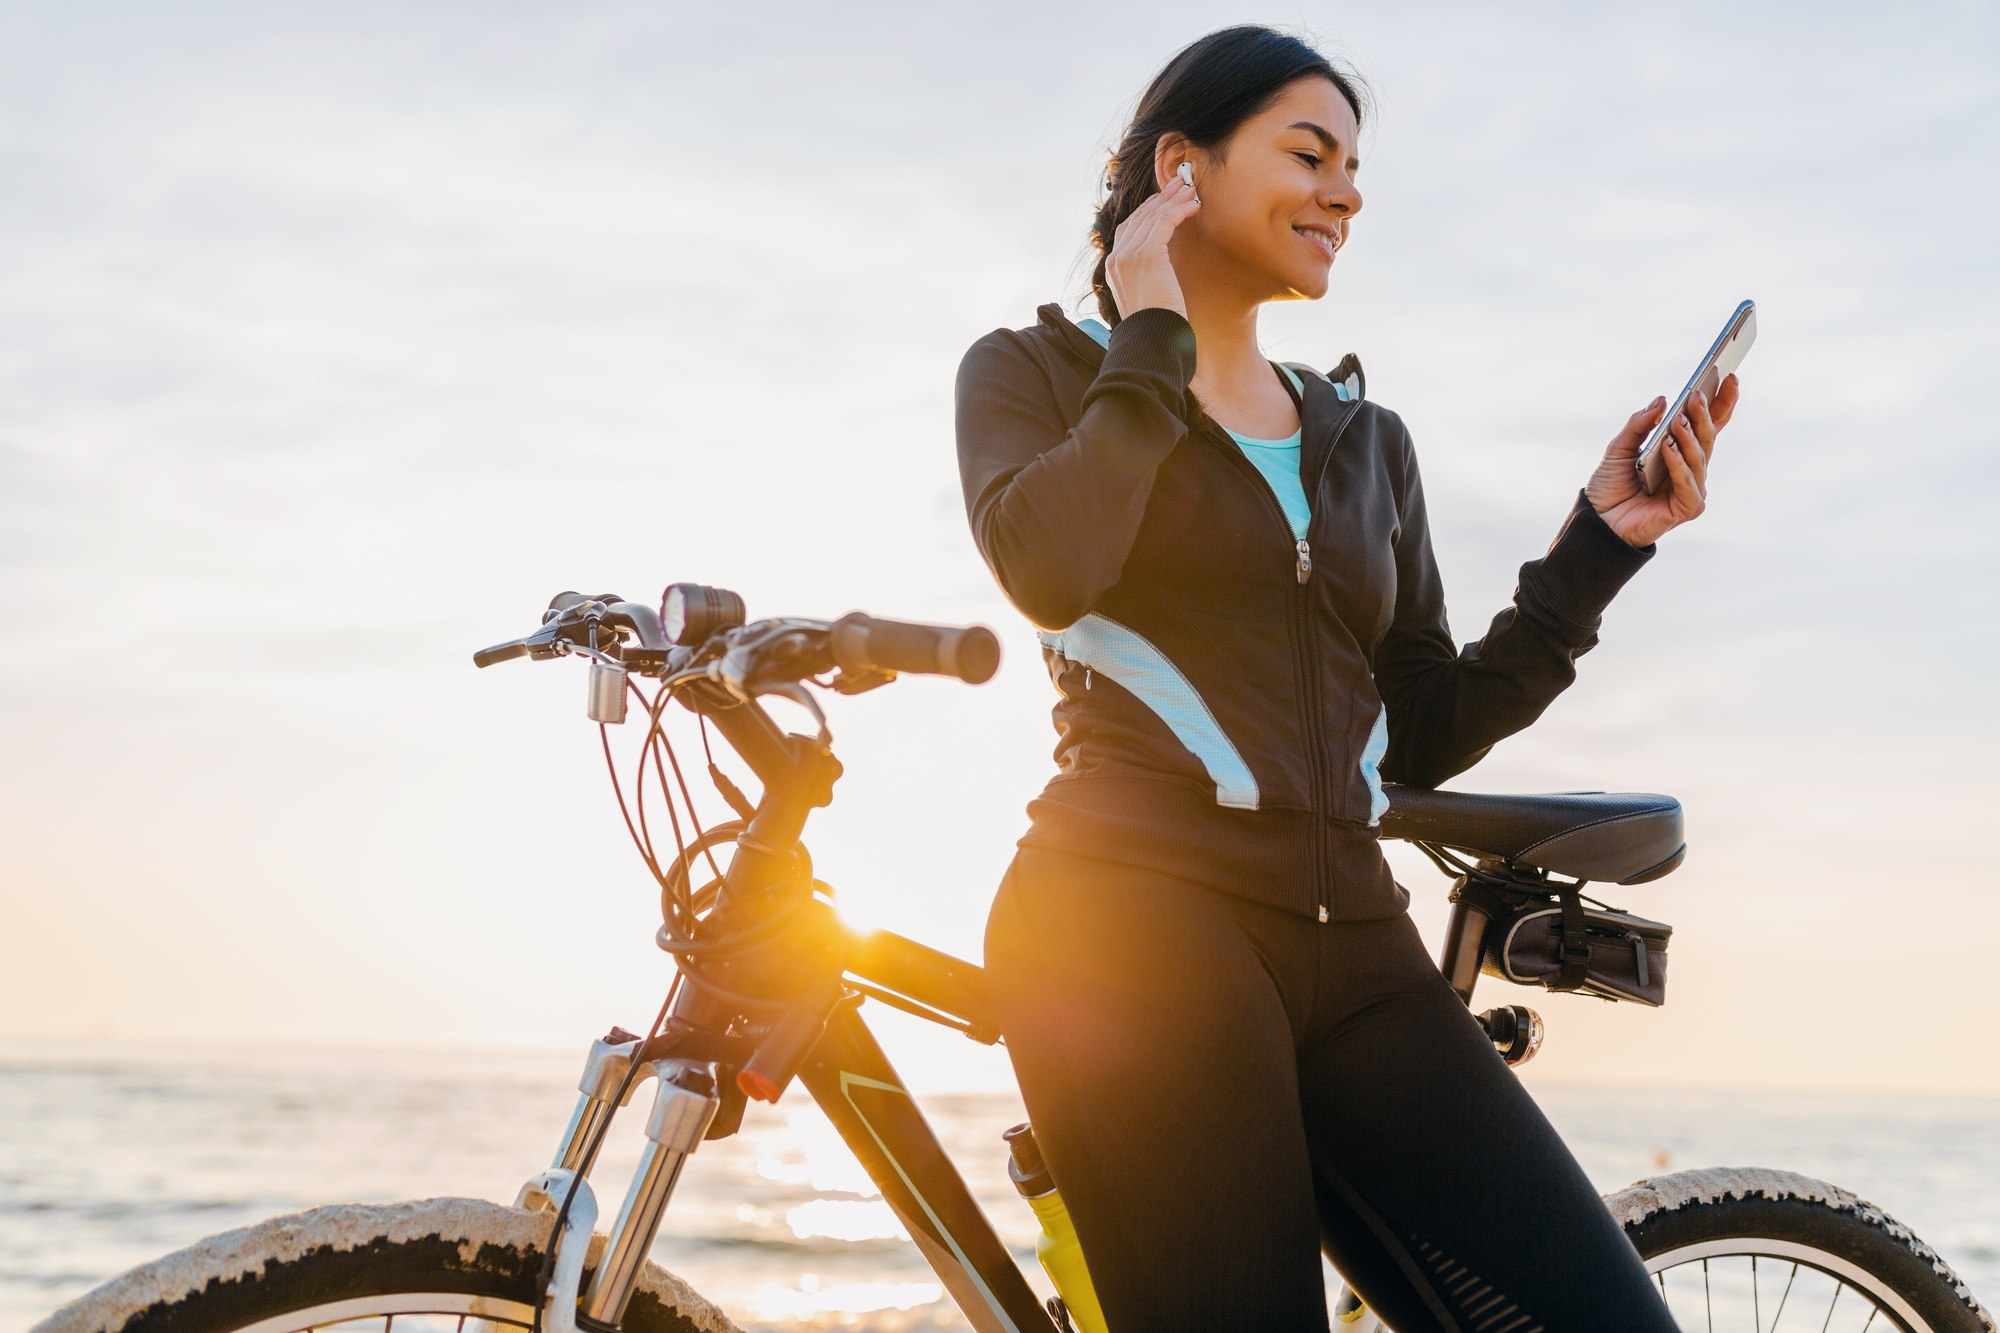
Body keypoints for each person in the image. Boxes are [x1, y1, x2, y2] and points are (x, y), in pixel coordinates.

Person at [954, 25, 1737, 1333]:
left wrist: (1597, 546)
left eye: (1357, 167)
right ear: (1182, 169)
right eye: (1309, 153)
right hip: (1134, 929)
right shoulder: (1037, 374)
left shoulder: (1365, 440)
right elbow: (1050, 565)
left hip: (1351, 942)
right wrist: (1147, 336)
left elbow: (1418, 726)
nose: (1348, 192)